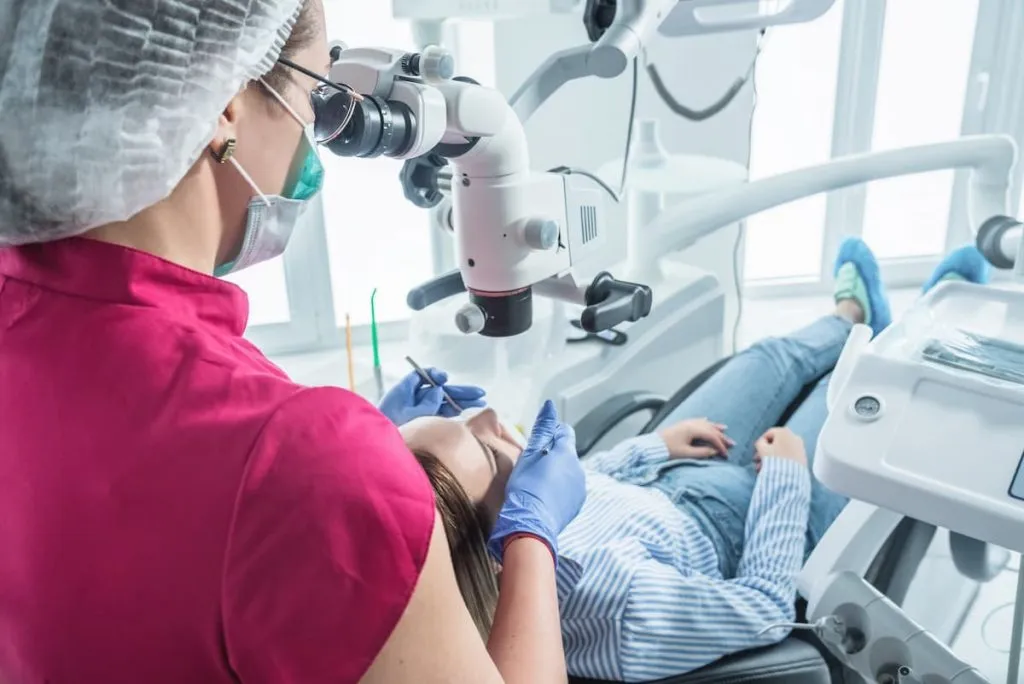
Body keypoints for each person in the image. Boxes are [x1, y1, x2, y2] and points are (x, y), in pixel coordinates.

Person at [0, 2, 586, 683]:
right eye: (315, 95)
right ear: (225, 105)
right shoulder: (298, 464)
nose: (318, 136)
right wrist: (532, 538)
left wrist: (350, 469)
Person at [399, 238, 993, 683]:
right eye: (479, 443)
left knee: (771, 359)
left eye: (455, 415)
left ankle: (853, 318)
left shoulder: (531, 515)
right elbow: (763, 608)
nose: (484, 417)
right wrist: (786, 478)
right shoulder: (619, 612)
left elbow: (585, 487)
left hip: (666, 477)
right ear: (501, 547)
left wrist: (655, 447)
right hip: (745, 524)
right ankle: (922, 331)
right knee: (856, 400)